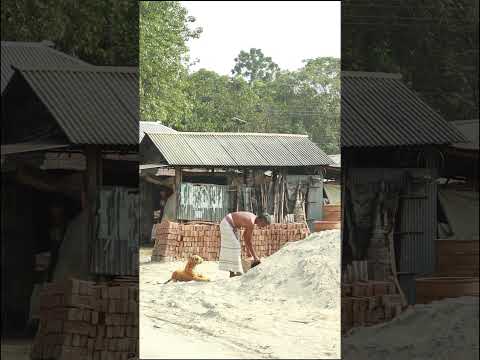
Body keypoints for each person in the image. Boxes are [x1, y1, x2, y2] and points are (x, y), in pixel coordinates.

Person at [219, 211, 271, 278]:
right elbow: (248, 241)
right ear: (261, 220)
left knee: (234, 248)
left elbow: (245, 236)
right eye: (265, 224)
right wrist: (255, 257)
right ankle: (237, 271)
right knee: (235, 247)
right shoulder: (251, 222)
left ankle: (232, 273)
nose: (264, 227)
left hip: (232, 226)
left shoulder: (253, 220)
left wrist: (249, 253)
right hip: (227, 224)